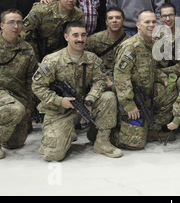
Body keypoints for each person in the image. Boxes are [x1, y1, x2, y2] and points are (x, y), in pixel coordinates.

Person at [32, 21, 122, 161]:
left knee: (109, 96)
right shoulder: (52, 60)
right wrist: (60, 101)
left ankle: (102, 141)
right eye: (75, 35)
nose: (80, 39)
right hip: (59, 111)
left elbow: (100, 81)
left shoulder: (92, 59)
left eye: (83, 35)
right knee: (52, 155)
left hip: (84, 105)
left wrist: (90, 99)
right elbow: (37, 86)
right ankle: (66, 133)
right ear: (66, 37)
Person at [112, 10, 176, 149]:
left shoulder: (152, 44)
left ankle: (153, 129)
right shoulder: (131, 46)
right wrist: (129, 104)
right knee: (136, 143)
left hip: (146, 95)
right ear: (138, 25)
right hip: (130, 98)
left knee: (170, 92)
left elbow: (153, 69)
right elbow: (120, 76)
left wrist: (165, 79)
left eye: (154, 22)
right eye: (147, 22)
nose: (151, 25)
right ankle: (109, 134)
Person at [0, 9, 36, 159]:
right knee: (14, 109)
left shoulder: (27, 49)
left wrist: (30, 105)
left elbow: (30, 80)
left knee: (15, 143)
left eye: (19, 22)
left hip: (17, 95)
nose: (16, 26)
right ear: (2, 25)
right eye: (11, 22)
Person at [21, 0, 85, 61]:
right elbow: (23, 32)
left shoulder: (78, 15)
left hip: (61, 56)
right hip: (36, 53)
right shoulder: (42, 11)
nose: (71, 0)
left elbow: (79, 38)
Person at [85, 6, 130, 89]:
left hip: (121, 80)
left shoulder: (130, 42)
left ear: (123, 21)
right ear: (106, 21)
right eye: (110, 18)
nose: (114, 20)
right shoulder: (95, 39)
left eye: (118, 18)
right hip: (99, 78)